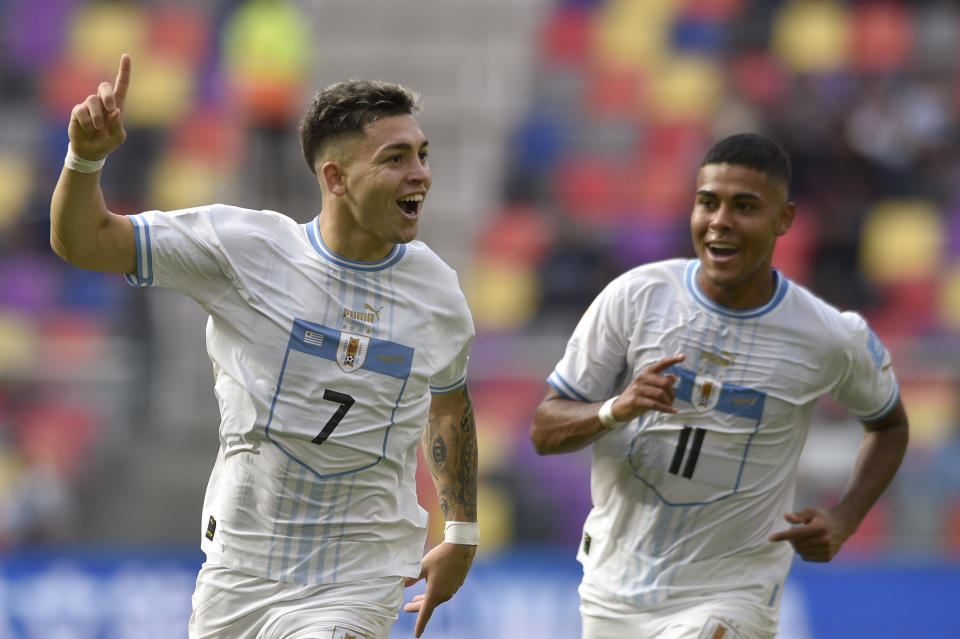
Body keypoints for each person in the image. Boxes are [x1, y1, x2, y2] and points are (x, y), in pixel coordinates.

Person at [50, 54, 479, 639]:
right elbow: (85, 241)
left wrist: (461, 532)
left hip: (358, 579)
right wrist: (86, 157)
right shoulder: (243, 249)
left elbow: (449, 403)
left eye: (423, 155)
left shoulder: (437, 292)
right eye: (395, 158)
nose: (421, 174)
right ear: (334, 178)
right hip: (238, 572)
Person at [530, 133, 909, 639]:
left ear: (785, 220)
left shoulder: (828, 336)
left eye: (745, 206)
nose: (720, 221)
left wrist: (846, 518)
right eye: (707, 202)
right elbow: (544, 429)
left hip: (733, 593)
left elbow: (890, 425)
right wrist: (614, 410)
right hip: (613, 588)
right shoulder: (635, 297)